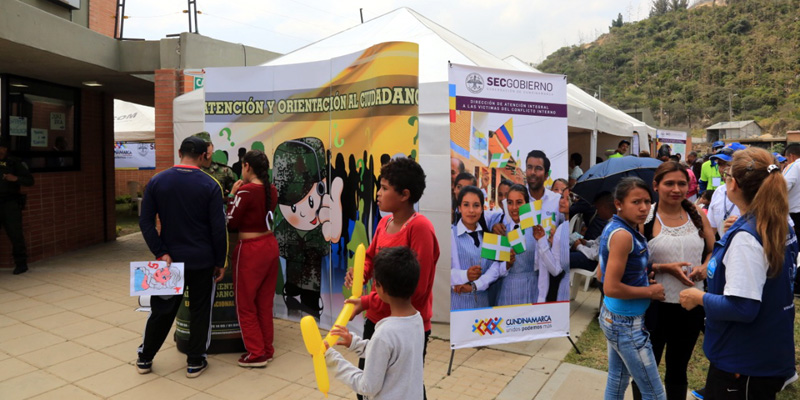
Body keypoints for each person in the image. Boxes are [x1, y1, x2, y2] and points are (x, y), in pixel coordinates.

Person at [679, 147, 798, 399]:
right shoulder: (779, 222)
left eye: (726, 176)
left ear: (733, 185)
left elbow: (742, 307)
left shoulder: (748, 237)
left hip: (742, 362)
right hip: (765, 351)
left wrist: (697, 298)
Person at [344, 157, 438, 399]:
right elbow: (371, 257)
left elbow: (415, 290)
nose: (378, 193)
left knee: (404, 387)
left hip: (406, 326)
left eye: (385, 188)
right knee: (369, 385)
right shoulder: (384, 223)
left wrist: (365, 302)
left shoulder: (420, 229)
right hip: (376, 321)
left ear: (405, 194)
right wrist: (360, 273)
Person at [137, 136, 227, 378]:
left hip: (169, 262)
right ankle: (195, 362)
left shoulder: (157, 181)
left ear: (179, 152)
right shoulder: (210, 185)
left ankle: (145, 358)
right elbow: (219, 230)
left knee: (162, 310)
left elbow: (145, 222)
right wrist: (221, 261)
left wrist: (160, 251)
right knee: (200, 311)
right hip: (202, 262)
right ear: (203, 156)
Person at [634, 161, 715, 400]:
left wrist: (704, 266)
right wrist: (662, 268)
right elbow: (632, 262)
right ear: (656, 186)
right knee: (646, 370)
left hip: (690, 307)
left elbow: (714, 250)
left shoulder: (696, 214)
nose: (676, 189)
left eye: (682, 183)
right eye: (669, 183)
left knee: (678, 370)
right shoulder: (644, 218)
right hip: (654, 307)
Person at [598, 177, 666, 400]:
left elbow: (602, 272)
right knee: (655, 394)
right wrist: (650, 292)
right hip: (626, 324)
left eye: (647, 201)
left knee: (617, 380)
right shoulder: (623, 235)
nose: (644, 207)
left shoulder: (618, 227)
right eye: (636, 202)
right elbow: (610, 287)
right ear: (619, 204)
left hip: (616, 317)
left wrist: (643, 278)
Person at [326, 247, 424, 400]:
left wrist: (332, 358)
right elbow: (387, 355)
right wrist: (353, 343)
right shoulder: (417, 320)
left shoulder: (385, 333)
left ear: (381, 288)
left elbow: (368, 386)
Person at [226, 150, 279, 368]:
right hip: (269, 246)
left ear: (246, 166)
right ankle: (267, 348)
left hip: (250, 250)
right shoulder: (271, 190)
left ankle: (256, 353)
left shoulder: (245, 191)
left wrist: (231, 195)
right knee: (264, 303)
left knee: (246, 304)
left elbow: (231, 222)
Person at [450, 186, 503, 309]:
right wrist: (465, 276)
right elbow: (441, 271)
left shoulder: (488, 236)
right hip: (458, 304)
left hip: (483, 303)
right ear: (459, 208)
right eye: (466, 205)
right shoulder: (451, 235)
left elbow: (495, 269)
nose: (471, 210)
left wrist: (475, 285)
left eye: (476, 205)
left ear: (482, 209)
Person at [495, 184, 544, 305]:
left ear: (527, 204)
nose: (514, 207)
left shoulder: (537, 229)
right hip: (508, 290)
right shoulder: (502, 229)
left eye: (519, 202)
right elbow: (495, 268)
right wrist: (506, 264)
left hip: (532, 288)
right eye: (510, 203)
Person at [0, 138, 34, 274]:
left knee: (15, 234)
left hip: (10, 204)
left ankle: (21, 263)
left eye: (2, 147)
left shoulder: (14, 162)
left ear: (6, 149)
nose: (0, 150)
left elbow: (30, 180)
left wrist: (16, 179)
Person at [706, 144, 746, 238]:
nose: (722, 169)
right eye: (720, 164)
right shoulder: (718, 192)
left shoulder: (759, 194)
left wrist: (743, 229)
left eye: (727, 164)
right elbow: (711, 230)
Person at [539, 187, 572, 302]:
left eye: (568, 199)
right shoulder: (561, 229)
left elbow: (555, 269)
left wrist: (541, 242)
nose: (562, 201)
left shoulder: (565, 228)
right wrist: (543, 241)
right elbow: (556, 269)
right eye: (562, 197)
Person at [193, 132, 237, 196]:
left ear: (212, 147)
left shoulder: (224, 171)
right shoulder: (192, 171)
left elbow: (235, 194)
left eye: (208, 145)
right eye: (202, 146)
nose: (206, 149)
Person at [782, 143, 800, 230]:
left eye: (786, 159)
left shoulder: (794, 166)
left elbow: (780, 188)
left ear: (791, 156)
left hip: (795, 215)